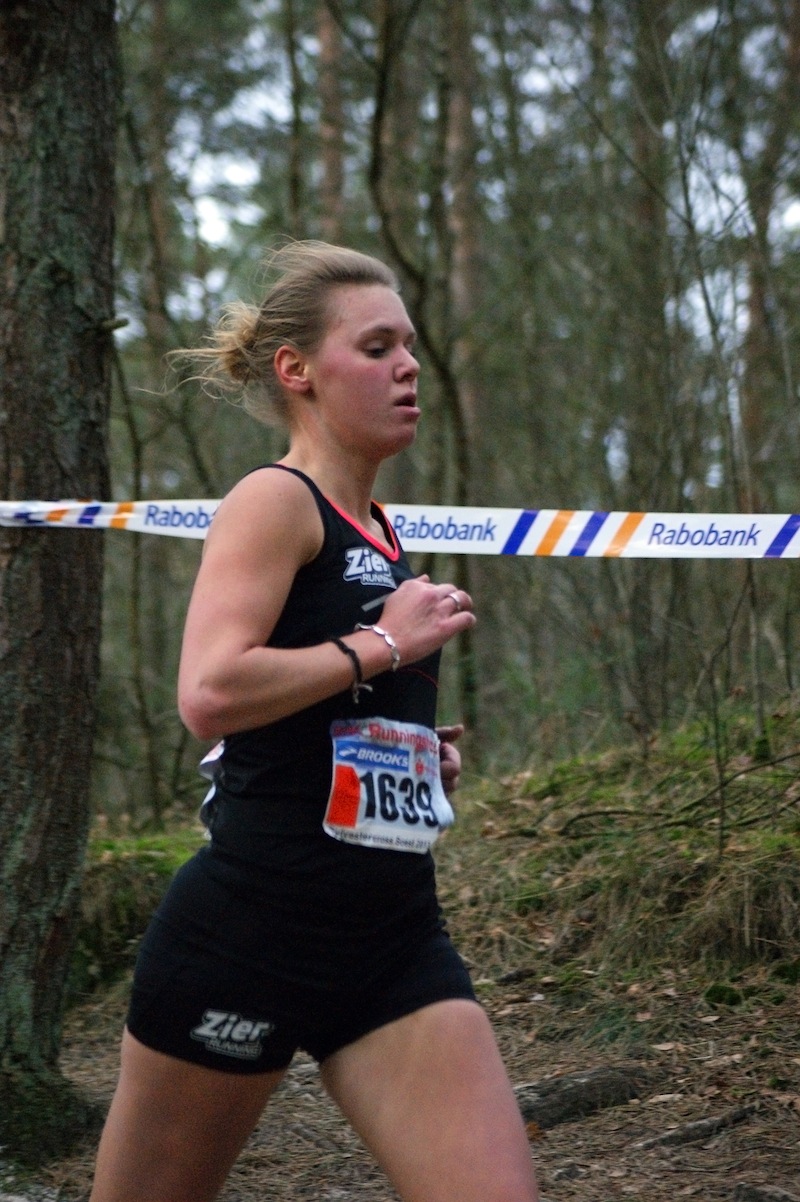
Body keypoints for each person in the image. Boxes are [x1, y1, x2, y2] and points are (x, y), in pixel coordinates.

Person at [90, 241, 539, 1202]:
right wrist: (383, 645)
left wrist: (410, 759)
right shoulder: (272, 500)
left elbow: (320, 706)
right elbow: (210, 693)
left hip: (391, 939)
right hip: (251, 930)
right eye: (376, 348)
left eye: (408, 345)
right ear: (297, 370)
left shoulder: (383, 528)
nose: (408, 366)